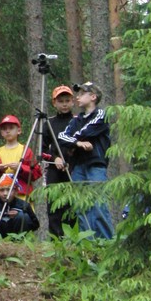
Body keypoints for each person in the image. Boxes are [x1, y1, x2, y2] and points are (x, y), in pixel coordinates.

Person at [57, 82, 114, 239]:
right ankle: (87, 243)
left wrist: (73, 141)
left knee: (99, 205)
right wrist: (77, 144)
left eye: (82, 94)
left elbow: (86, 131)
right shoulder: (75, 120)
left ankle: (106, 242)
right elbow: (61, 137)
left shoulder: (101, 115)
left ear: (93, 97)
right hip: (78, 166)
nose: (78, 97)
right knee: (80, 206)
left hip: (96, 166)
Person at [41, 85, 76, 237]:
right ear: (54, 103)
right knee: (54, 206)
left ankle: (72, 237)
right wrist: (54, 159)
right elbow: (41, 150)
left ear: (72, 101)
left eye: (67, 100)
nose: (64, 104)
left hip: (73, 168)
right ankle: (56, 239)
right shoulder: (49, 123)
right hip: (54, 169)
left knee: (72, 204)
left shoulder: (77, 121)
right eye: (61, 101)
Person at [0, 116, 42, 199]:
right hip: (1, 195)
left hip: (21, 194)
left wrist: (21, 168)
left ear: (19, 131)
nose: (7, 131)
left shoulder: (25, 151)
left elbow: (36, 173)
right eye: (4, 129)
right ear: (2, 133)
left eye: (11, 128)